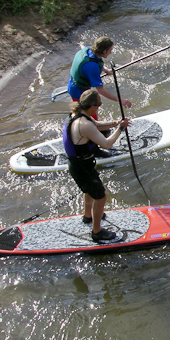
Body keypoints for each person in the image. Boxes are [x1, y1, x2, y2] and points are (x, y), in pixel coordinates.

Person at [63, 88, 130, 242]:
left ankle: (88, 216)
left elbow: (96, 125)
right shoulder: (83, 124)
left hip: (80, 165)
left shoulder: (78, 115)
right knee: (100, 197)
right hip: (82, 168)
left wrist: (115, 123)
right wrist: (121, 128)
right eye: (99, 104)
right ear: (92, 107)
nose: (100, 106)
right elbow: (106, 144)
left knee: (89, 191)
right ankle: (97, 232)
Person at [67, 36, 132, 115]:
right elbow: (100, 90)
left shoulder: (88, 49)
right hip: (78, 91)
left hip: (74, 81)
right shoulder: (91, 67)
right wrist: (121, 100)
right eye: (110, 50)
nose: (111, 52)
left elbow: (96, 61)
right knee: (90, 116)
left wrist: (105, 70)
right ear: (104, 51)